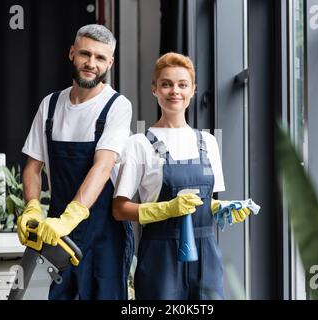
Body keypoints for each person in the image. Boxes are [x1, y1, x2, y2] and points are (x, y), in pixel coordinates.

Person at [112, 52, 255, 300]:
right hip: (160, 258)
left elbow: (205, 202)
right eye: (166, 84)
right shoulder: (139, 143)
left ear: (193, 90)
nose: (174, 91)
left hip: (206, 255)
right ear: (154, 89)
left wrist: (223, 208)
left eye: (182, 85)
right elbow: (119, 208)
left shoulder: (208, 142)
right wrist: (165, 209)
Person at [19, 24, 134, 300]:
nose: (91, 63)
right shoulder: (50, 105)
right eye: (85, 54)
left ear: (110, 63)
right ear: (72, 53)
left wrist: (72, 217)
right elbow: (33, 167)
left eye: (100, 58)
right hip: (56, 233)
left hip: (105, 234)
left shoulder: (117, 106)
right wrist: (33, 208)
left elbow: (103, 166)